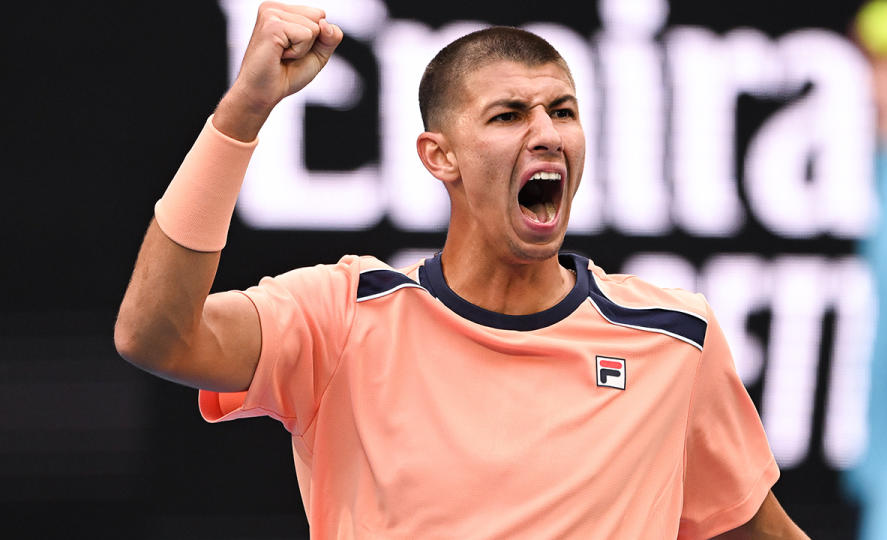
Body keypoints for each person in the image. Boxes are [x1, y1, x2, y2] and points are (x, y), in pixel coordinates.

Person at [115, 2, 807, 538]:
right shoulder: (341, 317)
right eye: (508, 115)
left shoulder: (674, 337)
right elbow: (154, 335)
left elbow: (752, 527)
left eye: (562, 111)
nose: (547, 133)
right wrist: (243, 113)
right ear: (438, 156)